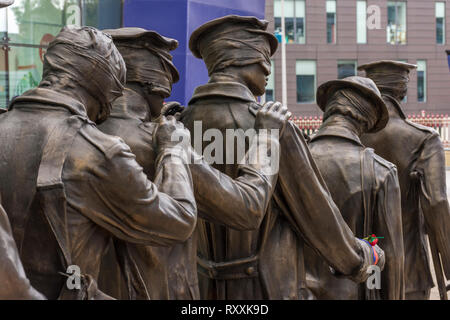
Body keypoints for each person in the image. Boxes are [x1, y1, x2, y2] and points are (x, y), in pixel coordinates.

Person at [182, 15, 384, 300]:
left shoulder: (178, 124)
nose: (268, 69)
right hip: (268, 288)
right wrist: (360, 257)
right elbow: (315, 211)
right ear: (239, 59)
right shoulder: (272, 126)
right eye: (262, 59)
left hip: (202, 289)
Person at [0, 26, 197, 299]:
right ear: (101, 85)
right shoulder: (96, 152)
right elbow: (179, 220)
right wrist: (173, 149)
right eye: (113, 95)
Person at [98, 27, 284, 300]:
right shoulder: (162, 142)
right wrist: (267, 136)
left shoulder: (78, 136)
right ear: (155, 83)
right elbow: (248, 208)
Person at [305, 76, 404, 300]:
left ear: (329, 111)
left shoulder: (290, 161)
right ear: (366, 123)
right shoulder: (380, 172)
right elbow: (390, 261)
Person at [359, 60, 450, 300]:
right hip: (408, 271)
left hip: (361, 266)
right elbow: (437, 203)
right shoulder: (423, 139)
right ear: (403, 90)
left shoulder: (351, 137)